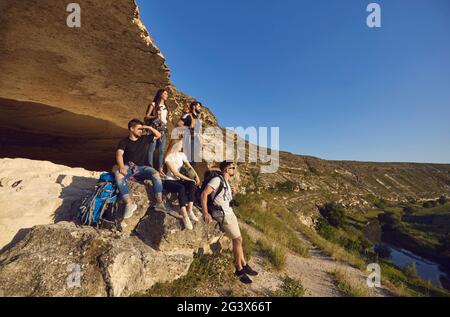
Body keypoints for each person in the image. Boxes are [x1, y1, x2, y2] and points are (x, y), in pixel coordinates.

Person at [201, 161, 258, 284]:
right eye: (233, 168)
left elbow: (226, 199)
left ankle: (244, 264)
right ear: (226, 169)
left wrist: (234, 192)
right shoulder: (217, 180)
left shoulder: (227, 182)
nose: (235, 169)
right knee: (237, 240)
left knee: (239, 239)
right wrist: (206, 212)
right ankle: (238, 269)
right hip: (222, 214)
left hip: (229, 212)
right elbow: (204, 194)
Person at [115, 119, 170, 219]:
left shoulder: (144, 138)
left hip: (142, 167)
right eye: (139, 128)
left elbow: (159, 135)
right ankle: (129, 204)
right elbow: (119, 154)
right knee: (118, 175)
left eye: (142, 129)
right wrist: (122, 167)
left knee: (155, 174)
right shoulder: (124, 141)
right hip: (129, 166)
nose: (141, 130)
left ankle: (159, 203)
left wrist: (148, 127)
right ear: (131, 129)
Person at [163, 137, 201, 230]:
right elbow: (175, 173)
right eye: (180, 144)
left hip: (179, 180)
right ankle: (185, 216)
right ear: (175, 145)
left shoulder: (182, 155)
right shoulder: (168, 157)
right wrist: (189, 179)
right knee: (181, 188)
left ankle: (190, 210)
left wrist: (196, 176)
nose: (182, 145)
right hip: (169, 181)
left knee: (192, 184)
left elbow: (189, 166)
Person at [145, 89, 172, 175]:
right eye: (165, 93)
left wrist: (170, 117)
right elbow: (147, 116)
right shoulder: (153, 104)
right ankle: (150, 167)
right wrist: (156, 115)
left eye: (167, 94)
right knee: (151, 148)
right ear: (160, 94)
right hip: (155, 128)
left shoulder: (167, 107)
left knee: (161, 149)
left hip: (163, 128)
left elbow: (167, 119)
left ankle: (160, 168)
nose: (166, 95)